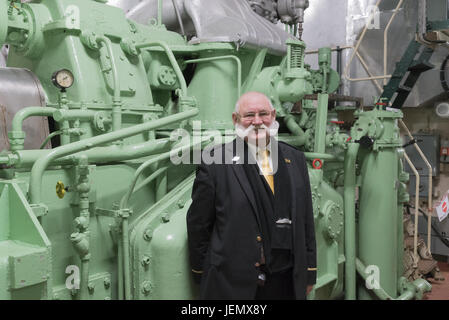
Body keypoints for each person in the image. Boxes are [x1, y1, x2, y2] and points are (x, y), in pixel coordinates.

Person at [186, 91, 316, 300]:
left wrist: (310, 271)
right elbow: (198, 224)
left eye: (263, 113)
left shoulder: (296, 159)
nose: (257, 121)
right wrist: (203, 272)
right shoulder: (215, 161)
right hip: (234, 283)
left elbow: (306, 220)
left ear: (273, 116)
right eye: (249, 115)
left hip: (286, 279)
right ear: (235, 119)